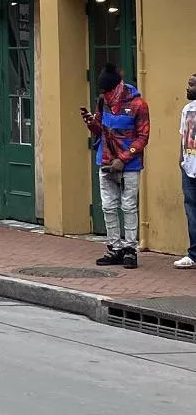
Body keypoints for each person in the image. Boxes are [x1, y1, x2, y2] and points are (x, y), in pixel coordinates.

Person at [82, 61, 150, 268]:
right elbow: (100, 129)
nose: (104, 95)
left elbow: (143, 137)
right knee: (108, 207)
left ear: (117, 88)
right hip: (105, 160)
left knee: (129, 206)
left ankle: (130, 249)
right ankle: (114, 248)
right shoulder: (103, 102)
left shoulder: (138, 105)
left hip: (128, 164)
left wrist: (124, 158)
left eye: (107, 91)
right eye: (102, 92)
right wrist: (91, 123)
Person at [177, 73, 196, 270]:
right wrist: (181, 159)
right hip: (189, 168)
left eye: (191, 85)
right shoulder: (187, 109)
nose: (187, 88)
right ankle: (193, 254)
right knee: (191, 211)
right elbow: (183, 135)